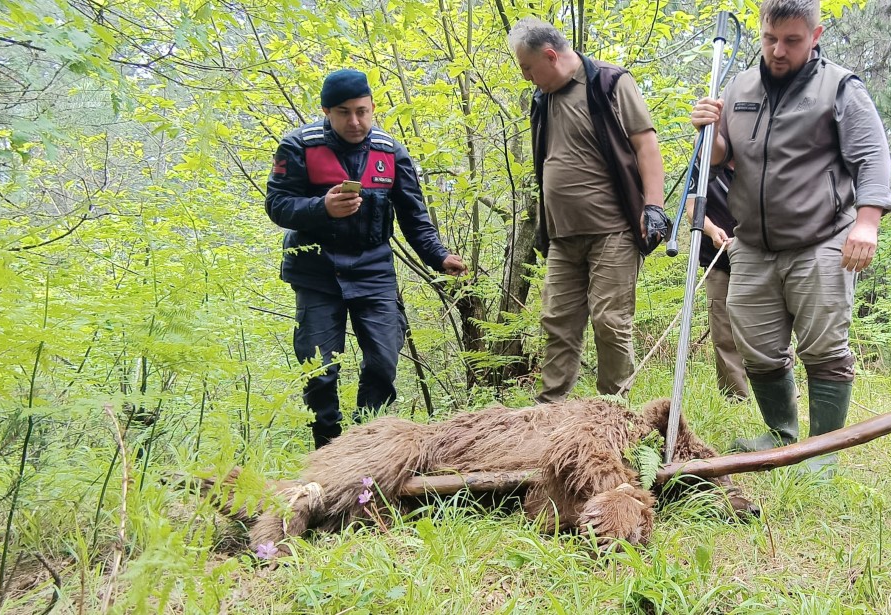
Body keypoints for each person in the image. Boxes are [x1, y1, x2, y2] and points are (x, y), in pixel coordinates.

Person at [689, 0, 891, 472]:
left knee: (823, 345)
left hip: (821, 236)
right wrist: (709, 133)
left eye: (792, 40)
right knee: (756, 346)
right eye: (769, 38)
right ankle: (780, 432)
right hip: (753, 242)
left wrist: (867, 222)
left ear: (816, 35)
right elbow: (722, 157)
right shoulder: (740, 86)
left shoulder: (840, 88)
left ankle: (821, 449)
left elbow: (872, 157)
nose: (778, 51)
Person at [265, 69, 468, 448]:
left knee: (382, 364)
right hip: (316, 273)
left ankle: (367, 447)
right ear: (326, 111)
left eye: (362, 111)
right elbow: (276, 205)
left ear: (373, 108)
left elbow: (413, 216)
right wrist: (321, 206)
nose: (355, 121)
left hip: (374, 270)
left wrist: (439, 257)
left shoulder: (390, 152)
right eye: (344, 113)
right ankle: (326, 449)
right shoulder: (298, 147)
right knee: (320, 371)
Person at [509, 18, 670, 403]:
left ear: (550, 55)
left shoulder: (609, 83)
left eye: (528, 67)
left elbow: (646, 145)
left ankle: (613, 411)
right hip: (562, 237)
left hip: (613, 231)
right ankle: (549, 412)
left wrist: (654, 207)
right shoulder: (542, 99)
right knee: (557, 322)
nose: (527, 77)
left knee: (610, 323)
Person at [687, 163, 750, 400]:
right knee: (723, 332)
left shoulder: (756, 153)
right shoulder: (701, 166)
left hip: (760, 257)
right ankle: (735, 398)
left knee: (769, 327)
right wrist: (713, 231)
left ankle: (782, 396)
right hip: (716, 258)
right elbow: (692, 209)